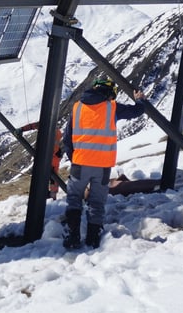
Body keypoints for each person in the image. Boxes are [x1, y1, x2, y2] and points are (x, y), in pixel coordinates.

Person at [61, 78, 147, 249]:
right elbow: (137, 111)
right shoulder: (112, 107)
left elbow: (66, 139)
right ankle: (93, 238)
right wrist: (140, 99)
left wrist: (75, 158)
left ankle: (73, 237)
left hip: (80, 164)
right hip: (102, 167)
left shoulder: (77, 107)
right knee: (97, 202)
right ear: (110, 93)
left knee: (74, 199)